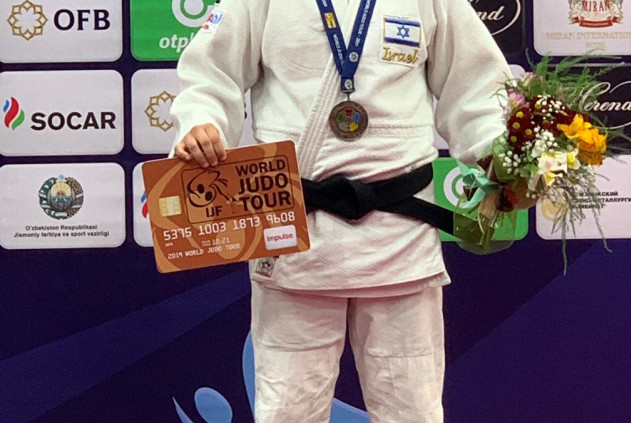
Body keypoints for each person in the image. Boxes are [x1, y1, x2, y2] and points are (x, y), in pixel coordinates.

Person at [169, 0, 513, 421]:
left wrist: (501, 155)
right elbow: (210, 71)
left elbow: (476, 83)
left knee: (412, 408)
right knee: (287, 409)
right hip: (295, 231)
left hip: (399, 231)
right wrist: (201, 122)